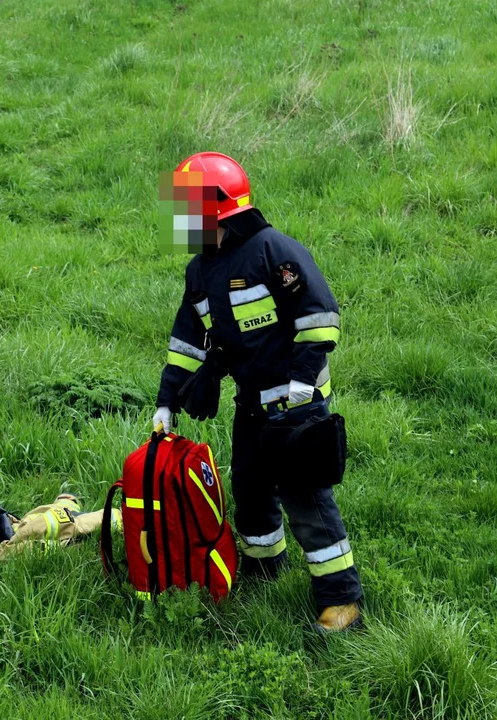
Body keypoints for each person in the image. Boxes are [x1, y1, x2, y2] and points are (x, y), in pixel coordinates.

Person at [153, 153, 363, 633]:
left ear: (218, 209)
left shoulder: (275, 251)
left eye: (186, 209)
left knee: (306, 499)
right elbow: (187, 344)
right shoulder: (199, 272)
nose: (179, 220)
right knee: (250, 495)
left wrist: (302, 380)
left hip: (298, 404)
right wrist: (168, 401)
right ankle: (265, 574)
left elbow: (320, 315)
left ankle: (342, 601)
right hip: (250, 405)